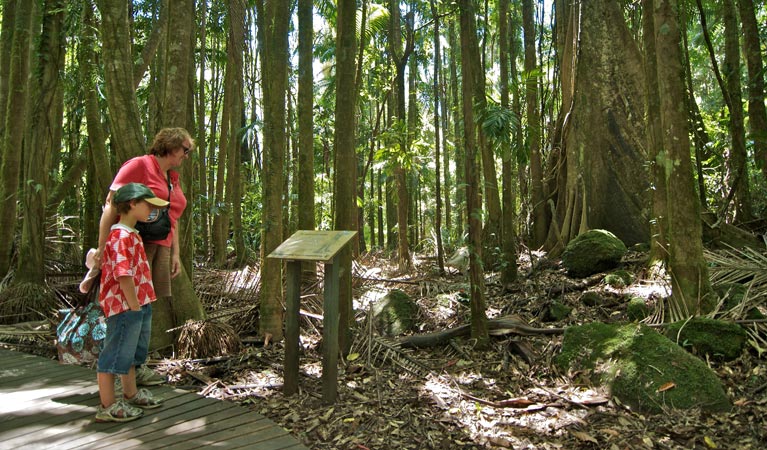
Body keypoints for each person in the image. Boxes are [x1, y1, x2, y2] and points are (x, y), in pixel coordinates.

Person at [94, 127, 193, 386]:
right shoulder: (139, 165)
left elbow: (174, 216)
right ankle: (117, 371)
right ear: (171, 148)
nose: (186, 155)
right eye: (185, 149)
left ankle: (135, 368)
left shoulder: (173, 177)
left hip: (159, 248)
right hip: (132, 247)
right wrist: (103, 248)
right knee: (128, 309)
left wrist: (175, 253)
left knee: (146, 309)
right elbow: (110, 204)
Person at [95, 183, 168, 422]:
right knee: (115, 354)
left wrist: (141, 304)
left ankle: (130, 393)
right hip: (125, 305)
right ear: (132, 204)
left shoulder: (132, 235)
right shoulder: (119, 237)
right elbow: (123, 274)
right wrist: (134, 305)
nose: (151, 211)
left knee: (131, 351)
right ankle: (107, 404)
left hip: (138, 303)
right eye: (147, 205)